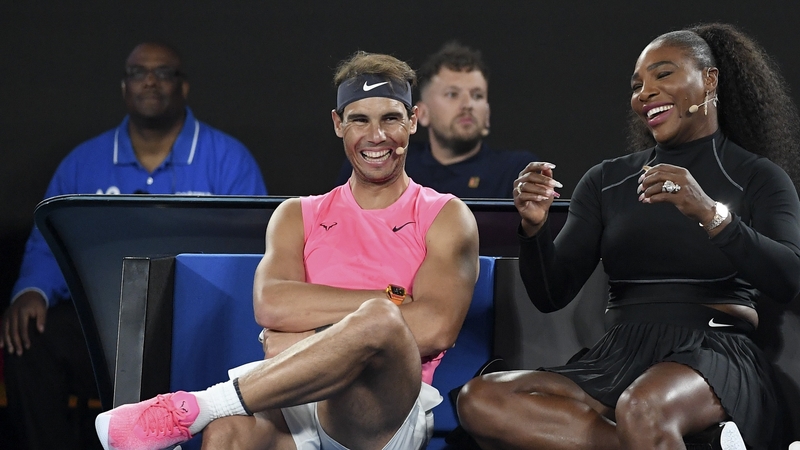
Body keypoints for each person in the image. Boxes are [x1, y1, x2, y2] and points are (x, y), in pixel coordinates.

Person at [93, 50, 480, 450]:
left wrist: (311, 337)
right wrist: (392, 297)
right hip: (299, 400)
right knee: (227, 434)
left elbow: (435, 327)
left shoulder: (446, 215)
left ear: (413, 120)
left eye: (390, 118)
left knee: (381, 321)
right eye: (359, 119)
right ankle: (207, 416)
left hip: (384, 411)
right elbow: (271, 303)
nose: (376, 135)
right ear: (338, 124)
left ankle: (201, 406)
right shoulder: (297, 214)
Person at [456, 23, 800, 450]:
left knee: (643, 408)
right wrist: (534, 227)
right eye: (637, 85)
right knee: (482, 398)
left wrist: (709, 213)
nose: (646, 92)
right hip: (619, 353)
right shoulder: (607, 180)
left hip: (715, 350)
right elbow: (550, 294)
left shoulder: (758, 176)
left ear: (709, 80)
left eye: (663, 74)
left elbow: (788, 277)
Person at [1, 42, 267, 450]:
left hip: (197, 327)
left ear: (183, 87)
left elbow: (257, 252)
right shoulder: (83, 162)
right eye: (138, 72)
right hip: (101, 327)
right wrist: (30, 290)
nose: (150, 81)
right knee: (29, 341)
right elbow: (48, 244)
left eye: (163, 73)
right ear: (124, 87)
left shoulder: (229, 160)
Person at [334, 42, 537, 198]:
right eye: (452, 94)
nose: (468, 105)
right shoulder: (382, 160)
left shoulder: (516, 172)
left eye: (477, 95)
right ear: (421, 114)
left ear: (487, 114)